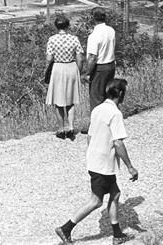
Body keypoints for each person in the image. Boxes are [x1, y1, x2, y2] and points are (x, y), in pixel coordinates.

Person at [54, 79, 139, 245]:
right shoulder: (115, 114)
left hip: (95, 160)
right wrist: (130, 167)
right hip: (103, 164)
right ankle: (65, 228)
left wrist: (92, 155)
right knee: (96, 201)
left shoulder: (98, 109)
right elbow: (118, 143)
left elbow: (90, 136)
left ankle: (117, 235)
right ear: (120, 93)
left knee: (115, 194)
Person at [45, 15, 85, 139]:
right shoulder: (74, 39)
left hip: (58, 67)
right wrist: (78, 70)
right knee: (71, 100)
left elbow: (49, 58)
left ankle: (61, 128)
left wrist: (47, 69)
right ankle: (71, 126)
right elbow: (79, 57)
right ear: (68, 26)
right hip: (71, 67)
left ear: (56, 26)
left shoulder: (52, 39)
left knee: (58, 101)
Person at [82, 7, 116, 111]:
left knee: (97, 98)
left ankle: (96, 123)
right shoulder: (111, 30)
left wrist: (87, 73)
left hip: (99, 68)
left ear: (93, 18)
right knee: (107, 96)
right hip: (110, 65)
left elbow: (92, 57)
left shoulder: (94, 35)